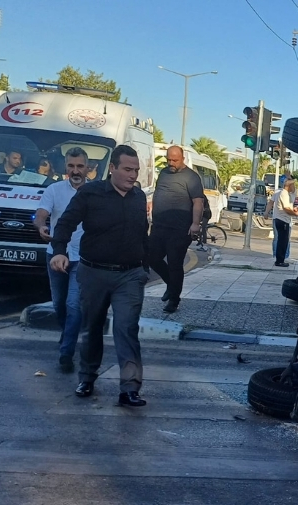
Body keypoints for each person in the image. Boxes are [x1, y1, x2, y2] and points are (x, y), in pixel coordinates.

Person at [50, 145, 150, 407]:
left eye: (136, 170)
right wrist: (59, 251)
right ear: (113, 169)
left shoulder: (139, 197)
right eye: (127, 170)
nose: (132, 175)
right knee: (92, 327)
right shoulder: (90, 193)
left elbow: (143, 235)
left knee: (126, 328)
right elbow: (65, 224)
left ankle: (130, 388)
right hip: (93, 273)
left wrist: (145, 268)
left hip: (129, 276)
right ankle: (87, 378)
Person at [34, 148, 90, 373]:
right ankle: (67, 333)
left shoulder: (96, 191)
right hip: (57, 254)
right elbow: (40, 214)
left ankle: (66, 353)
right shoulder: (54, 189)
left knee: (73, 305)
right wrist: (41, 226)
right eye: (71, 166)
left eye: (79, 166)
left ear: (88, 168)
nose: (75, 171)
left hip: (83, 257)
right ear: (65, 167)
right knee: (59, 304)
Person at [149, 145, 204, 313]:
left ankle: (174, 300)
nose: (171, 163)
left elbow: (198, 202)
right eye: (169, 160)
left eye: (175, 160)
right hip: (159, 227)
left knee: (174, 263)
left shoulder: (191, 177)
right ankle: (171, 285)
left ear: (182, 159)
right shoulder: (164, 173)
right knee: (151, 257)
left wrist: (195, 224)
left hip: (180, 229)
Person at [273, 178, 298, 268]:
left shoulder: (286, 194)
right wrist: (295, 214)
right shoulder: (284, 193)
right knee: (282, 242)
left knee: (283, 241)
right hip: (282, 220)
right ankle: (279, 261)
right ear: (288, 186)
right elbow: (286, 209)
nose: (293, 187)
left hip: (283, 220)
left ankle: (280, 259)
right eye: (292, 185)